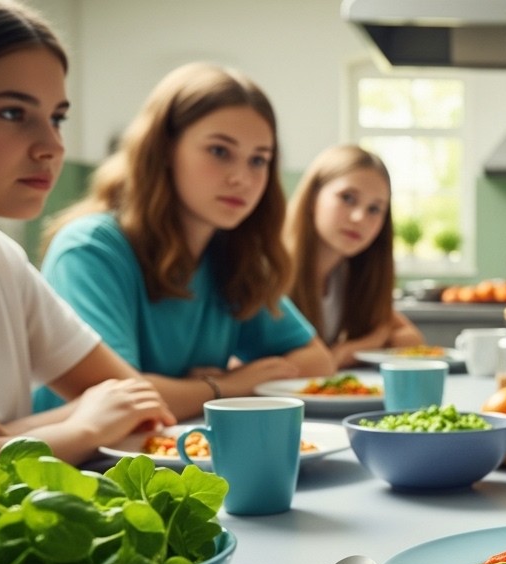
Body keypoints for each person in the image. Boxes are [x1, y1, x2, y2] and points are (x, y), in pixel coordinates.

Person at [0, 0, 173, 489]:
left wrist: (10, 437)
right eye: (12, 112)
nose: (52, 146)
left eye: (56, 117)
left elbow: (137, 402)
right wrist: (78, 429)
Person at [37, 62, 333, 420]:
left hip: (183, 459)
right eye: (220, 151)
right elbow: (122, 404)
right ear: (163, 150)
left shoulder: (231, 256)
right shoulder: (90, 249)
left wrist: (211, 385)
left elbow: (317, 361)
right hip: (85, 470)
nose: (242, 177)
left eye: (259, 160)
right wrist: (227, 387)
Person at [285, 144, 424, 368]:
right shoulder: (272, 273)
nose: (359, 217)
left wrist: (350, 350)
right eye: (347, 198)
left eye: (374, 209)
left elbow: (411, 339)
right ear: (312, 198)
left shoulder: (349, 275)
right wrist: (374, 339)